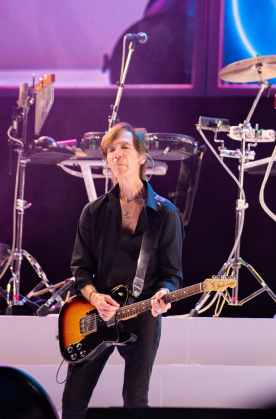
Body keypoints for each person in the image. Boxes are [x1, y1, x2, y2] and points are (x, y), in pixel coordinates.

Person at [61, 123, 184, 419]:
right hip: (96, 315)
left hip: (142, 316)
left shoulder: (166, 214)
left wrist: (163, 294)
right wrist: (93, 298)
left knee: (135, 401)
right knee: (73, 403)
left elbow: (172, 273)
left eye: (124, 147)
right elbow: (80, 269)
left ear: (142, 156)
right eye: (111, 150)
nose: (117, 155)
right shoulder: (93, 212)